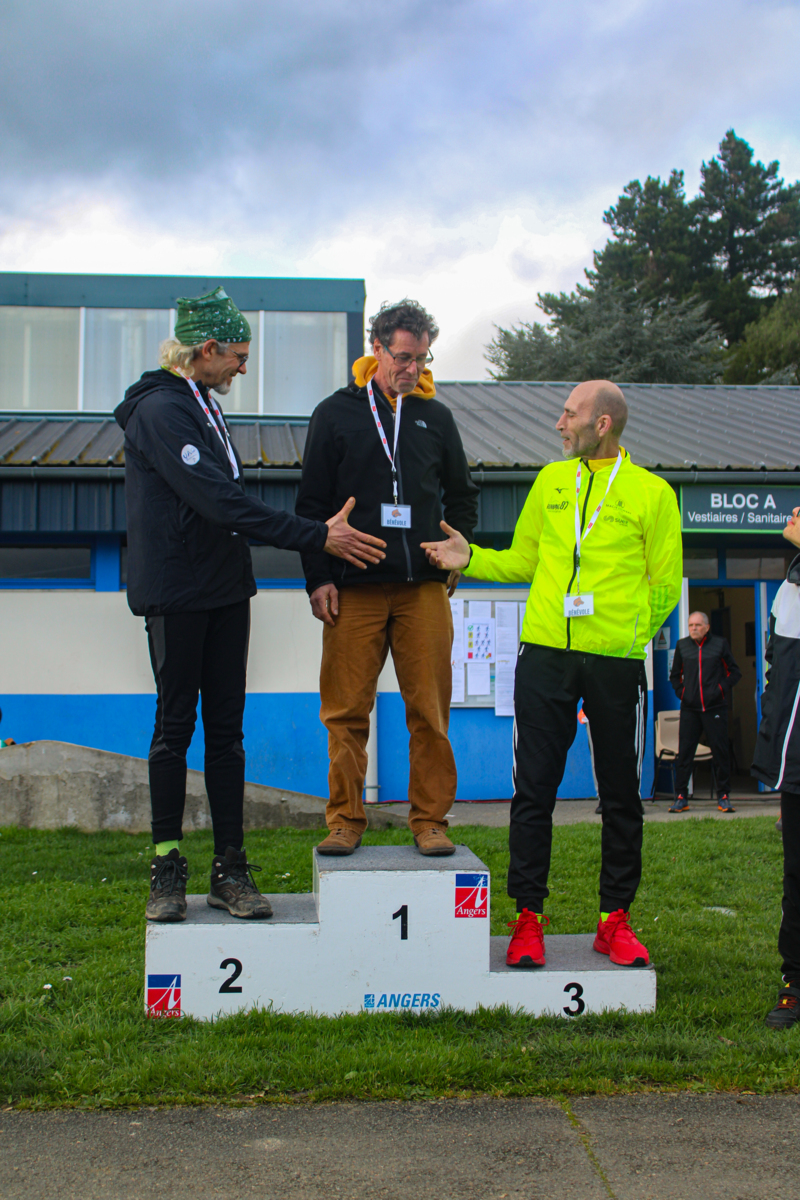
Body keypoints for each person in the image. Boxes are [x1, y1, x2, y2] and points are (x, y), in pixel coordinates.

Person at [115, 286, 386, 922]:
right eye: (238, 355)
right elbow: (220, 501)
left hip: (225, 591)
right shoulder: (160, 410)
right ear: (206, 349)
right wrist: (317, 536)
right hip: (177, 595)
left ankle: (230, 869)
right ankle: (167, 868)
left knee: (227, 734)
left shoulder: (202, 405)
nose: (243, 367)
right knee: (174, 729)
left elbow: (228, 502)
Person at [422, 380, 682, 968]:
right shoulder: (551, 481)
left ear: (602, 424)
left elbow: (665, 583)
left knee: (621, 795)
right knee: (533, 792)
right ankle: (528, 919)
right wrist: (471, 558)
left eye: (569, 414)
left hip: (615, 662)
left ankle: (614, 921)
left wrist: (627, 639)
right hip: (543, 655)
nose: (560, 424)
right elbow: (524, 560)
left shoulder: (653, 493)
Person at [295, 299, 479, 857]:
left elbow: (463, 496)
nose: (413, 369)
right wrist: (318, 578)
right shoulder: (335, 413)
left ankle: (430, 821)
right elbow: (311, 506)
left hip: (422, 589)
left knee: (430, 712)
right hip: (353, 587)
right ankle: (345, 820)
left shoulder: (435, 417)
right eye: (402, 357)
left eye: (422, 359)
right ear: (376, 349)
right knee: (346, 713)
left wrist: (459, 550)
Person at [752, 507, 800, 1028]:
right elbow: (777, 666)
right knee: (796, 876)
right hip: (796, 762)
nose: (794, 513)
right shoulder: (789, 587)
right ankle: (795, 983)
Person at [668, 611, 741, 813]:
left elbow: (734, 673)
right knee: (685, 753)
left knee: (720, 752)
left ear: (707, 627)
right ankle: (681, 797)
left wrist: (719, 690)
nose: (693, 628)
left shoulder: (720, 644)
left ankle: (723, 796)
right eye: (691, 625)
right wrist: (683, 694)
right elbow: (674, 676)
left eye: (698, 625)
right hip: (690, 709)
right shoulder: (682, 646)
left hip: (714, 708)